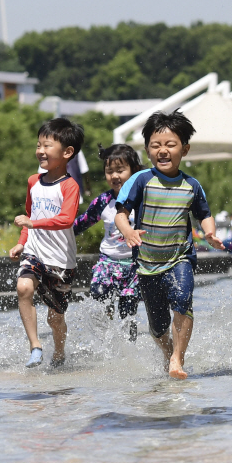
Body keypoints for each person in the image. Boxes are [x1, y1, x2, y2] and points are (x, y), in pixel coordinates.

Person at [115, 110, 224, 380]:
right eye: (156, 145)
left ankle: (177, 359)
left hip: (180, 257)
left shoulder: (192, 185)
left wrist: (209, 234)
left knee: (183, 301)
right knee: (157, 325)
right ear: (147, 150)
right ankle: (167, 353)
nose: (163, 151)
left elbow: (204, 214)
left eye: (170, 145)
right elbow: (120, 213)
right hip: (147, 264)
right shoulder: (140, 180)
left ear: (184, 149)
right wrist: (127, 231)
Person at [9, 117, 84, 369]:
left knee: (56, 317)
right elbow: (29, 218)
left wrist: (33, 225)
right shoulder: (33, 181)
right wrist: (22, 242)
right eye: (38, 144)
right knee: (23, 288)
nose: (40, 150)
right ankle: (35, 345)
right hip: (35, 252)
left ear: (67, 152)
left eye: (47, 145)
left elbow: (66, 219)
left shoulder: (70, 185)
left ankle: (59, 352)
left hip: (61, 260)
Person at [73, 143, 143, 341]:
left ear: (134, 171)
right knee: (99, 293)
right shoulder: (103, 201)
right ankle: (106, 340)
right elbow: (82, 223)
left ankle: (129, 349)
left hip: (134, 266)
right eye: (109, 171)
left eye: (120, 170)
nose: (114, 176)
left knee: (128, 310)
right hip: (107, 261)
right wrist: (61, 231)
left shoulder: (143, 199)